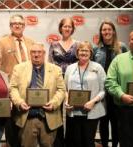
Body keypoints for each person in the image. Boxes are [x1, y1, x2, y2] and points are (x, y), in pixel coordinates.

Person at [10, 43, 66, 147]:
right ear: (30, 54)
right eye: (33, 52)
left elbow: (61, 90)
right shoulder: (19, 68)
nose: (36, 55)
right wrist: (19, 102)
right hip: (27, 118)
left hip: (48, 117)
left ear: (44, 53)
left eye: (39, 52)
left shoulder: (56, 69)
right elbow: (13, 88)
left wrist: (54, 103)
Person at [0, 14, 35, 147]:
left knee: (27, 127)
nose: (17, 25)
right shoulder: (2, 42)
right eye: (14, 24)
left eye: (20, 24)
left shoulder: (30, 42)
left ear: (24, 26)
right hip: (10, 89)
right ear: (10, 26)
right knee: (11, 127)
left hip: (29, 88)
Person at [64, 41, 106, 147]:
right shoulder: (70, 68)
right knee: (74, 142)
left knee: (88, 142)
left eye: (86, 50)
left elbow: (103, 90)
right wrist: (66, 101)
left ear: (91, 53)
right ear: (77, 52)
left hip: (91, 111)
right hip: (73, 112)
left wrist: (93, 101)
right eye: (81, 50)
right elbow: (65, 88)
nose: (84, 53)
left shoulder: (98, 68)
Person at [93, 20, 127, 147]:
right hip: (101, 91)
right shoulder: (95, 49)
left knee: (116, 121)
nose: (106, 32)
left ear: (113, 31)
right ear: (101, 32)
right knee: (103, 121)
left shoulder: (122, 47)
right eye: (104, 30)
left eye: (109, 29)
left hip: (116, 90)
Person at [48, 17, 78, 147]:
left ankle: (72, 141)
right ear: (60, 28)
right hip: (57, 81)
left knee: (72, 110)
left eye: (69, 26)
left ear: (72, 29)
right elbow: (49, 63)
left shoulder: (78, 44)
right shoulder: (54, 45)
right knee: (57, 112)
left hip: (73, 81)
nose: (67, 28)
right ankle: (58, 143)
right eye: (65, 26)